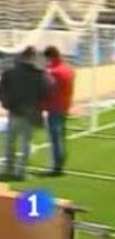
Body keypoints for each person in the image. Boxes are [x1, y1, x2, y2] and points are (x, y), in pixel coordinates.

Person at [0, 47, 51, 180]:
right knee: (25, 143)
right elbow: (46, 91)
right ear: (32, 58)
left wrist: (6, 104)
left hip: (14, 111)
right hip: (30, 112)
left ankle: (7, 168)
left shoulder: (10, 72)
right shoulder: (38, 74)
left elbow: (1, 90)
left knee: (10, 141)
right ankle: (20, 171)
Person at [42, 46, 75, 176]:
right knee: (61, 136)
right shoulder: (68, 69)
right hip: (64, 106)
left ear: (51, 57)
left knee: (56, 138)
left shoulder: (53, 72)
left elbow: (48, 89)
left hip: (54, 107)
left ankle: (57, 166)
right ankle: (60, 163)